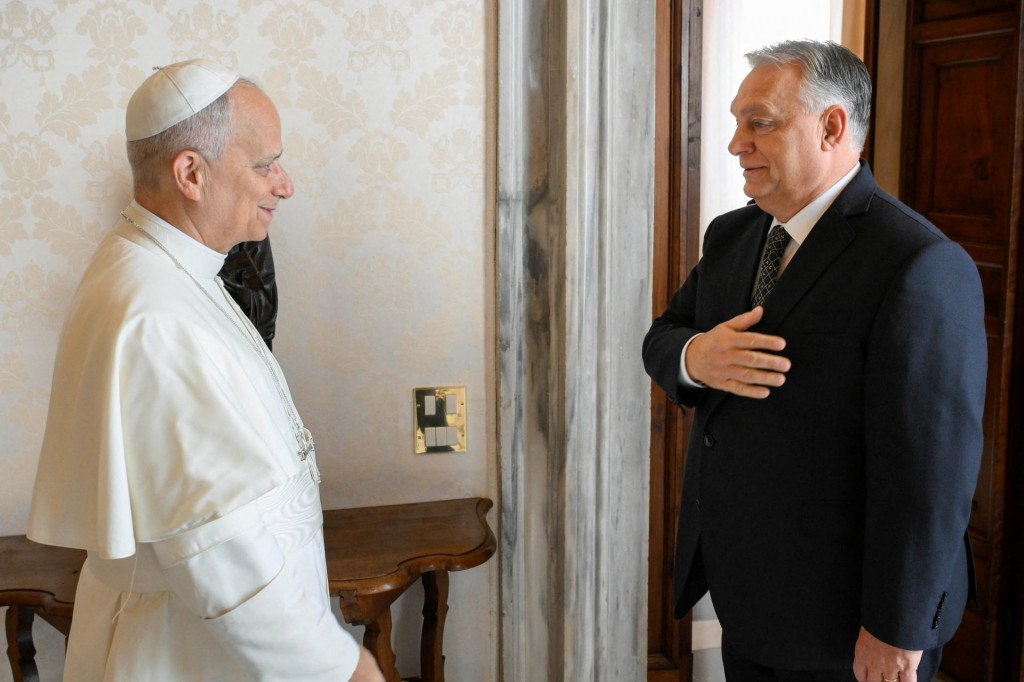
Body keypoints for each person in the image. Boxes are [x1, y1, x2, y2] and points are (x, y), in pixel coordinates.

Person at [28, 59, 384, 682]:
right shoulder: (157, 314)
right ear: (191, 173)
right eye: (265, 165)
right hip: (187, 651)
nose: (284, 185)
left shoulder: (162, 266)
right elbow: (220, 550)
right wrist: (345, 668)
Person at [642, 41, 986, 682]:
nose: (736, 144)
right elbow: (663, 335)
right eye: (737, 122)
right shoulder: (732, 234)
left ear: (831, 127)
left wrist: (897, 629)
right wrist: (696, 356)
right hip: (746, 595)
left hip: (849, 624)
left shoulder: (920, 263)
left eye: (760, 123)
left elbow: (932, 477)